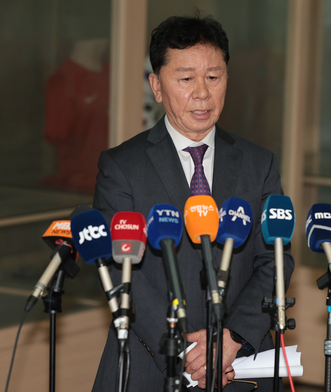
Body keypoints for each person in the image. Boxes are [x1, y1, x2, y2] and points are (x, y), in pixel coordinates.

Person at [92, 13, 294, 391]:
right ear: (156, 85)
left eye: (214, 77)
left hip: (239, 365)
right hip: (150, 365)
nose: (202, 92)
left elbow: (276, 259)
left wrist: (231, 338)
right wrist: (185, 352)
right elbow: (121, 270)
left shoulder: (258, 163)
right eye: (186, 79)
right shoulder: (122, 167)